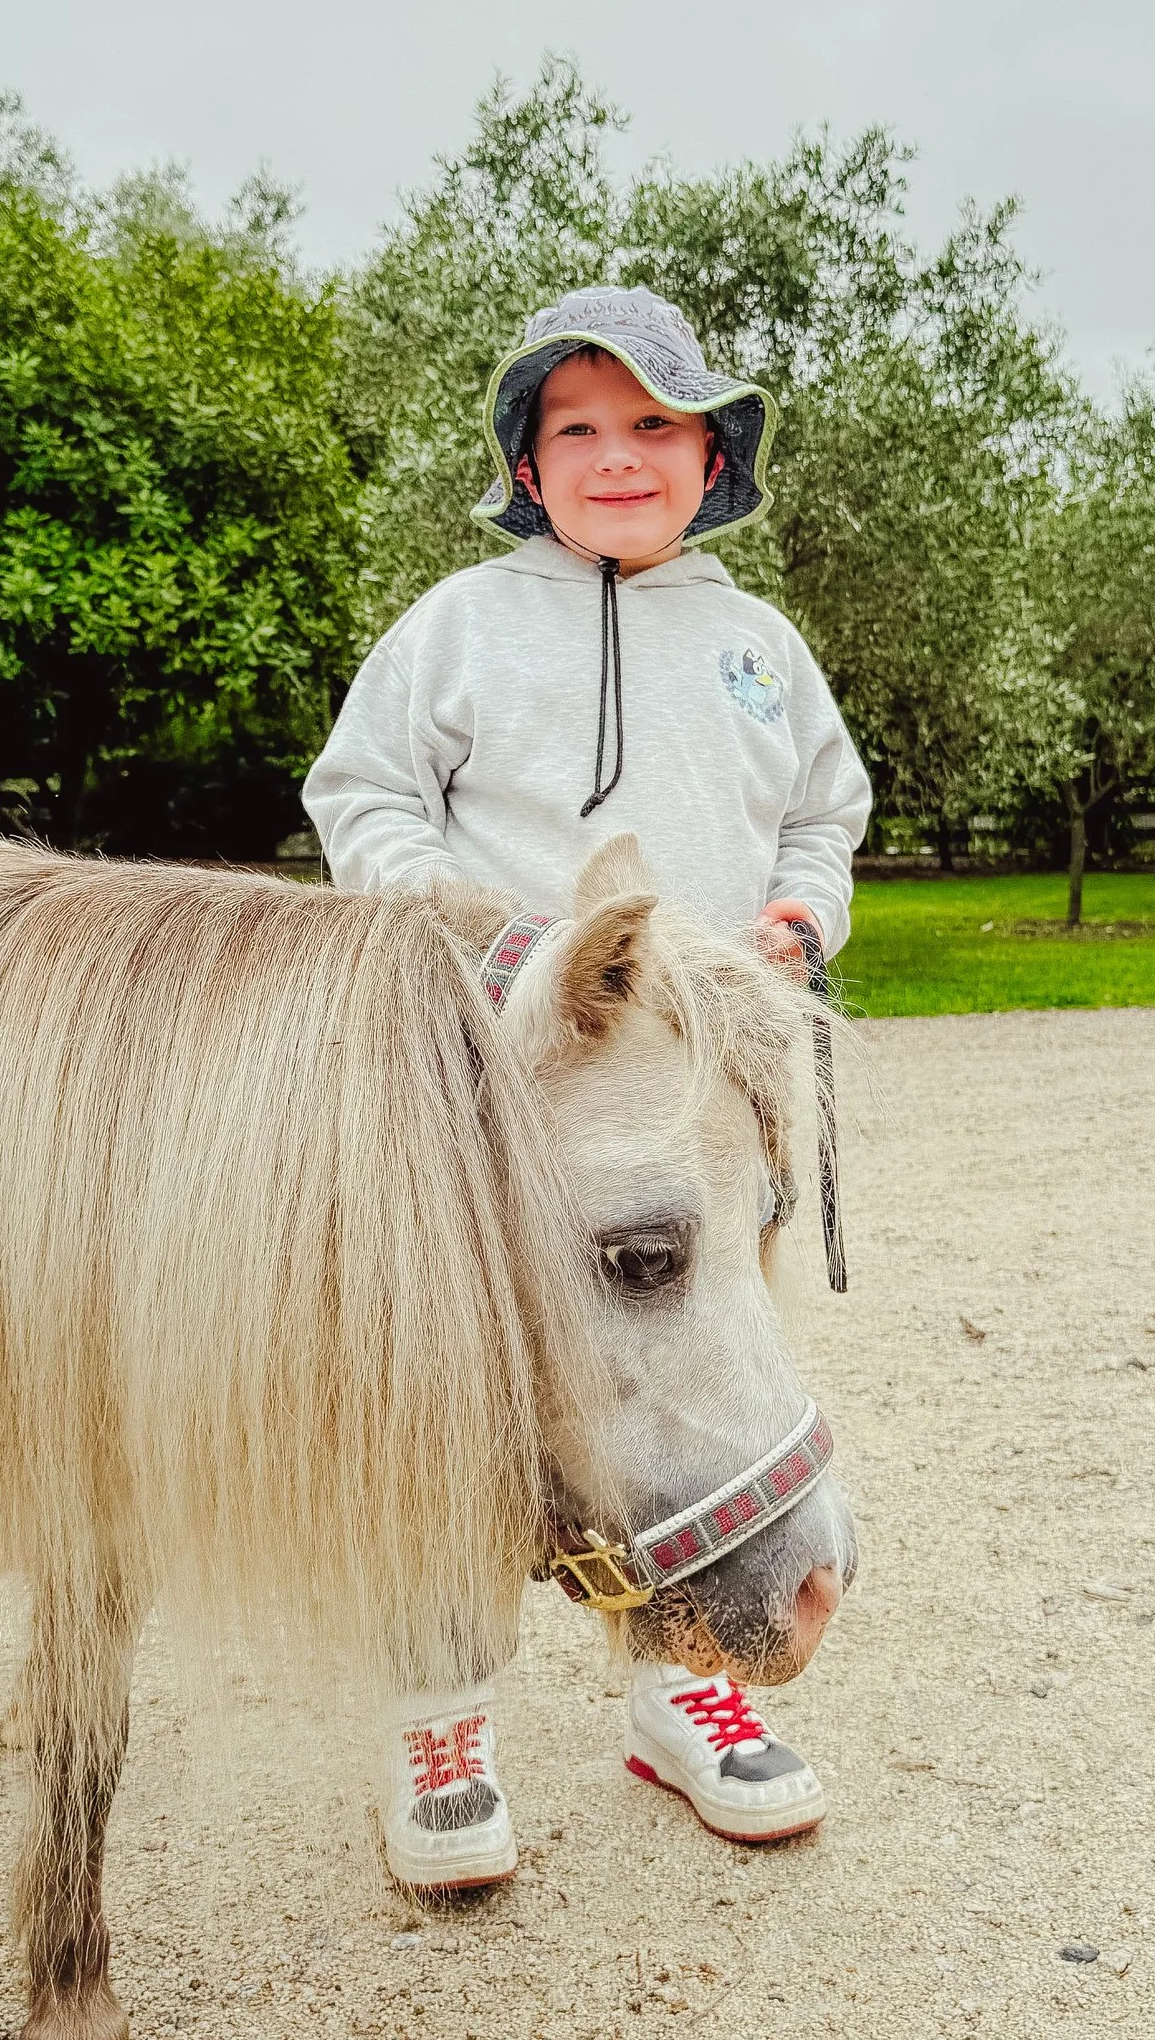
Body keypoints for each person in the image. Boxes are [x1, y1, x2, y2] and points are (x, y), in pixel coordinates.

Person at [301, 286, 872, 1892]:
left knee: (684, 1363)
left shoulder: (761, 648)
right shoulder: (460, 625)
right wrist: (461, 931)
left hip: (699, 1087)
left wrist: (800, 914)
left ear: (712, 457)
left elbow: (825, 815)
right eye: (579, 429)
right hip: (493, 1076)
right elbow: (362, 791)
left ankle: (686, 1680)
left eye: (653, 426)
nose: (618, 455)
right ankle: (442, 1714)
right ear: (527, 465)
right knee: (452, 1393)